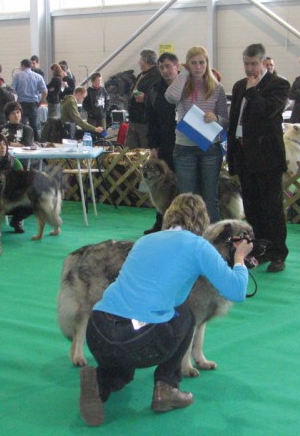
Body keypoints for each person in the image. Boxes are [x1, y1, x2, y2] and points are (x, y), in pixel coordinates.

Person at [78, 193, 252, 426]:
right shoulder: (197, 245)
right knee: (186, 313)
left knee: (123, 368)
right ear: (202, 221)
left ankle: (99, 383)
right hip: (136, 336)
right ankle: (166, 387)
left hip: (98, 329)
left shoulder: (145, 241)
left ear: (169, 215)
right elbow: (237, 291)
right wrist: (240, 258)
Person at [227, 43, 290, 273]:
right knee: (252, 207)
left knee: (272, 207)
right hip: (244, 154)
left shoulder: (279, 84)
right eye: (246, 63)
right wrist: (231, 153)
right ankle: (257, 249)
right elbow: (234, 121)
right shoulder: (238, 86)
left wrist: (253, 91)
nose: (249, 68)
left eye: (254, 64)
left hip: (268, 157)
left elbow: (268, 111)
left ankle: (278, 253)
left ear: (264, 63)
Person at [165, 46, 228, 224]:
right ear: (187, 64)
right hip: (184, 147)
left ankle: (213, 236)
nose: (198, 67)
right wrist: (183, 74)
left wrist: (216, 117)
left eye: (202, 62)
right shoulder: (181, 84)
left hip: (210, 147)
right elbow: (170, 97)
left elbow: (226, 120)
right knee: (186, 198)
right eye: (193, 63)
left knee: (210, 197)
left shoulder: (217, 88)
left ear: (207, 64)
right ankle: (187, 234)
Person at [144, 52, 179, 234]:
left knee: (183, 186)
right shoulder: (154, 89)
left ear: (177, 66)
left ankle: (181, 224)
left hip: (187, 144)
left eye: (168, 66)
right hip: (164, 144)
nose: (165, 70)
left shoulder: (187, 86)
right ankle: (160, 223)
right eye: (162, 67)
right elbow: (151, 120)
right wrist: (153, 146)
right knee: (162, 187)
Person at [126, 49, 161, 149]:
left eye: (140, 59)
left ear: (145, 61)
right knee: (129, 152)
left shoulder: (157, 76)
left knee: (145, 152)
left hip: (145, 122)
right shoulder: (141, 74)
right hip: (134, 120)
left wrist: (146, 98)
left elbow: (160, 98)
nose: (138, 62)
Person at [11, 59, 47, 142]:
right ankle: (36, 142)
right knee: (34, 125)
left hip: (21, 104)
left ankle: (21, 141)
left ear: (23, 65)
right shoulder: (38, 76)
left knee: (20, 125)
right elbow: (45, 91)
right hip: (33, 104)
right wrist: (40, 101)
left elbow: (12, 90)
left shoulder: (17, 76)